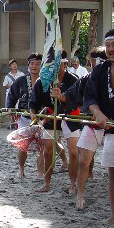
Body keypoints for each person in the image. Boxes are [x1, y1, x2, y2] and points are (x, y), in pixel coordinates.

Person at [83, 28, 114, 224]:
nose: (110, 49)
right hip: (112, 129)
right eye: (108, 46)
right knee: (113, 173)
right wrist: (97, 112)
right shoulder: (100, 71)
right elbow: (90, 96)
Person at [50, 47, 108, 210]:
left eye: (99, 61)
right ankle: (79, 193)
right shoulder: (87, 79)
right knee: (83, 160)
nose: (95, 64)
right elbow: (69, 96)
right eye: (93, 61)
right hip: (91, 125)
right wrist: (60, 95)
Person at [30, 50, 80, 193]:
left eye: (60, 65)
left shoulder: (74, 80)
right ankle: (47, 183)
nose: (57, 69)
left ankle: (72, 184)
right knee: (47, 151)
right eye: (54, 65)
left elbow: (77, 100)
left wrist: (63, 98)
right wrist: (34, 114)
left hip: (70, 116)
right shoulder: (43, 80)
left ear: (65, 64)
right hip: (51, 117)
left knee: (74, 152)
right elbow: (34, 101)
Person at [7, 53, 43, 179]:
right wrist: (10, 108)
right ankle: (21, 169)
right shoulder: (21, 80)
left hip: (41, 118)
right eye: (32, 63)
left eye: (37, 63)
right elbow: (12, 95)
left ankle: (40, 172)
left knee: (41, 146)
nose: (34, 66)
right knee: (23, 146)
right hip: (24, 116)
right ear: (28, 65)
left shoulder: (45, 81)